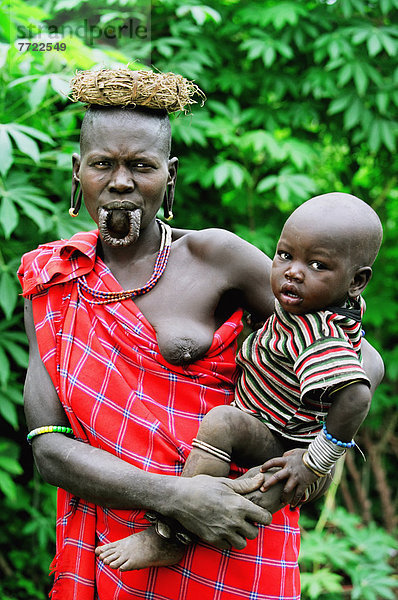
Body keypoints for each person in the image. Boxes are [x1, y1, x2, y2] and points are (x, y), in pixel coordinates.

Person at [18, 68, 383, 600]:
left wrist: (318, 455)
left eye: (141, 166)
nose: (120, 181)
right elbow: (48, 447)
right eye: (103, 164)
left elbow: (363, 361)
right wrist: (178, 499)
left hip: (236, 534)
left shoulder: (215, 258)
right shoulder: (52, 281)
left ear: (170, 175)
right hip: (121, 544)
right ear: (78, 172)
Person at [94, 192, 384, 571]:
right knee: (247, 492)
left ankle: (171, 534)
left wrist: (315, 462)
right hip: (282, 428)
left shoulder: (319, 331)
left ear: (356, 281)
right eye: (285, 255)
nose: (294, 271)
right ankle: (227, 498)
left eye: (317, 265)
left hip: (285, 440)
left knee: (222, 422)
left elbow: (356, 397)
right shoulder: (319, 302)